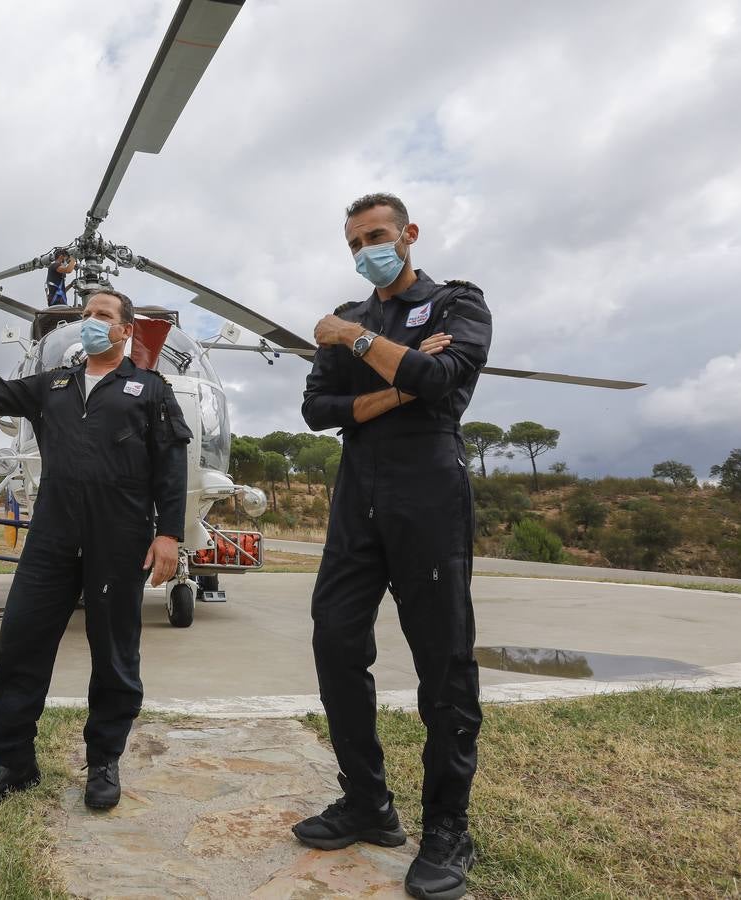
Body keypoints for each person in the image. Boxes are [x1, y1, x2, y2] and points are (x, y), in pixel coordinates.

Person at [0, 289, 191, 811]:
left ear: (125, 330)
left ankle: (103, 764)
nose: (91, 322)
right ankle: (12, 763)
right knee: (21, 643)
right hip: (52, 538)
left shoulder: (150, 390)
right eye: (86, 313)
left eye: (103, 316)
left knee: (115, 654)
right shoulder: (55, 385)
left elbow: (172, 464)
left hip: (119, 540)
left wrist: (169, 534)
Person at [296, 192, 491, 900]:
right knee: (335, 640)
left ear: (409, 234)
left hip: (429, 490)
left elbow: (445, 383)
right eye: (354, 242)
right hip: (358, 494)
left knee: (443, 661)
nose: (365, 249)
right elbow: (317, 410)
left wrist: (357, 349)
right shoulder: (352, 316)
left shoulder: (457, 303)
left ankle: (447, 827)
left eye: (376, 235)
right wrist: (398, 378)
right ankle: (367, 802)